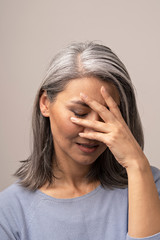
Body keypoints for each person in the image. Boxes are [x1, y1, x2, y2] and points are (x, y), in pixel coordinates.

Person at [0, 42, 160, 240]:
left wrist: (136, 164)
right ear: (45, 104)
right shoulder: (9, 211)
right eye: (80, 113)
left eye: (107, 114)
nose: (93, 129)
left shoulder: (148, 183)